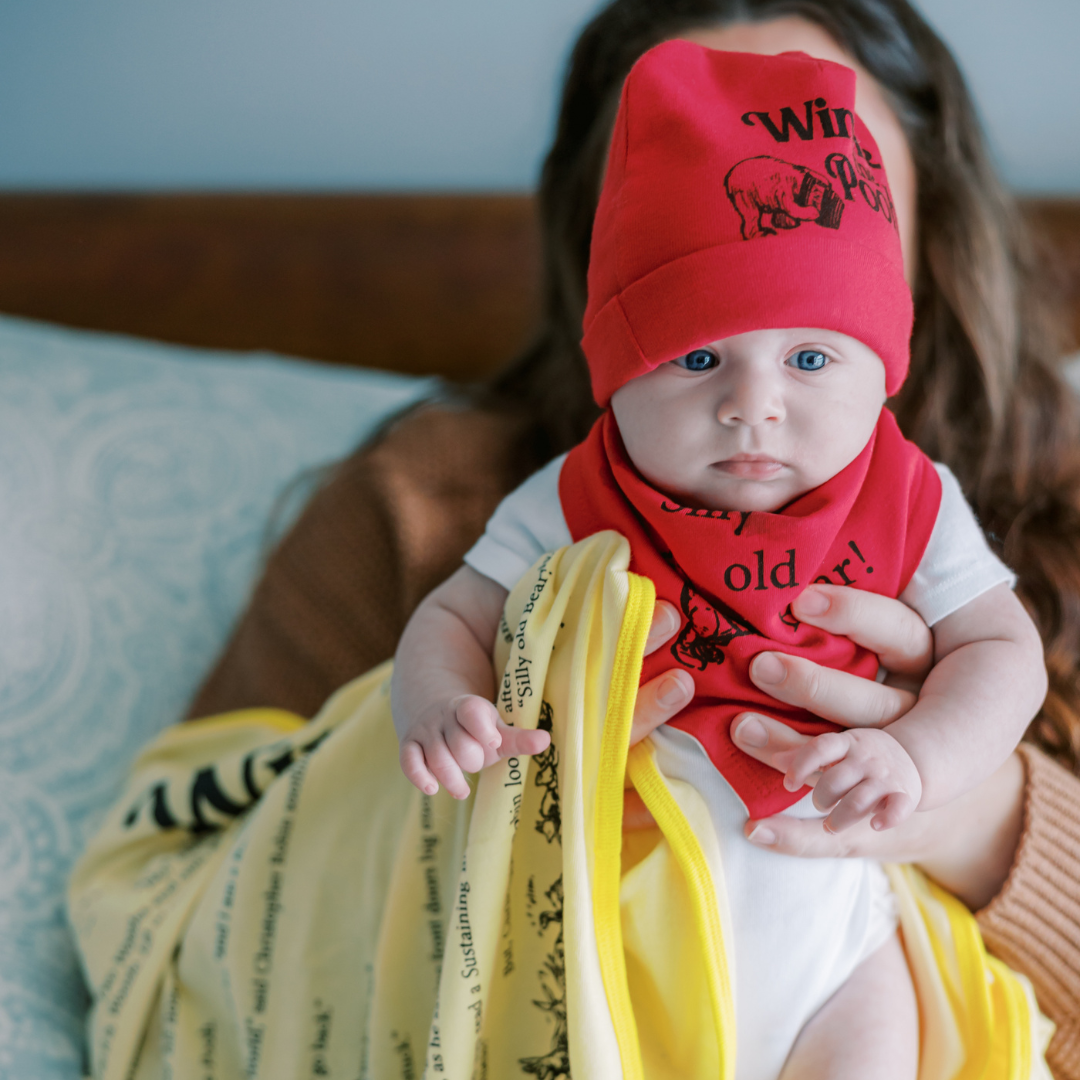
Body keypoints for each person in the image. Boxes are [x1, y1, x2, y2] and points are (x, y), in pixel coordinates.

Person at [186, 1, 1080, 1073]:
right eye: (702, 353)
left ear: (920, 220)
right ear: (610, 243)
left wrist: (969, 803)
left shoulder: (937, 497)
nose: (755, 404)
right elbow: (212, 875)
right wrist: (459, 750)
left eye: (812, 183)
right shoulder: (478, 498)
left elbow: (1000, 648)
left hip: (839, 948)